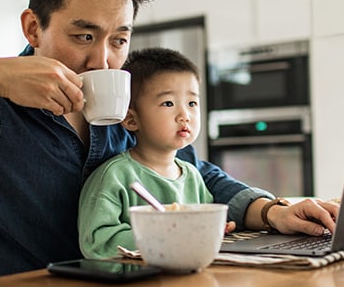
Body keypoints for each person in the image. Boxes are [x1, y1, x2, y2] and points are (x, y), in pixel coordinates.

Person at [0, 0, 339, 281]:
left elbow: (191, 173)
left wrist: (271, 210)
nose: (104, 61)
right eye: (84, 36)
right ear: (33, 27)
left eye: (119, 39)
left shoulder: (127, 108)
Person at [79, 48, 232, 259]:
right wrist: (166, 236)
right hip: (133, 285)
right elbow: (97, 243)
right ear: (132, 120)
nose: (184, 115)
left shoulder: (193, 176)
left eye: (192, 103)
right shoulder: (115, 176)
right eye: (168, 103)